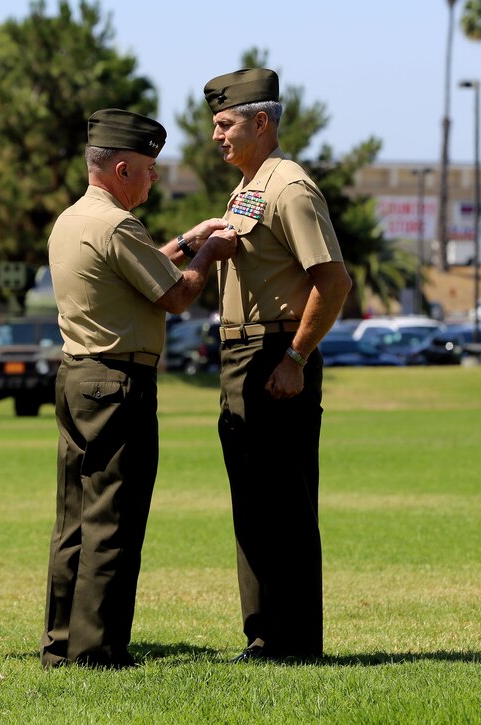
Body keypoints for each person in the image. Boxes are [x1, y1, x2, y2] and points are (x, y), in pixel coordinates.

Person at [40, 108, 238, 669]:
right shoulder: (118, 226)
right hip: (118, 382)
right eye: (149, 168)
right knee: (115, 518)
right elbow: (175, 297)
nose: (154, 178)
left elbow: (138, 270)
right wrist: (209, 253)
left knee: (73, 519)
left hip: (76, 378)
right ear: (122, 168)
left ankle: (61, 643)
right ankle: (98, 649)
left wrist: (184, 240)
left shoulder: (73, 220)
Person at [202, 68, 353, 663]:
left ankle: (293, 641)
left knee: (283, 503)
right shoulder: (248, 188)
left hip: (273, 354)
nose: (217, 135)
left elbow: (333, 280)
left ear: (261, 122)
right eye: (215, 124)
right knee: (253, 501)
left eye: (226, 123)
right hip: (242, 354)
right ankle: (265, 636)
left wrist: (296, 357)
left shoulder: (288, 187)